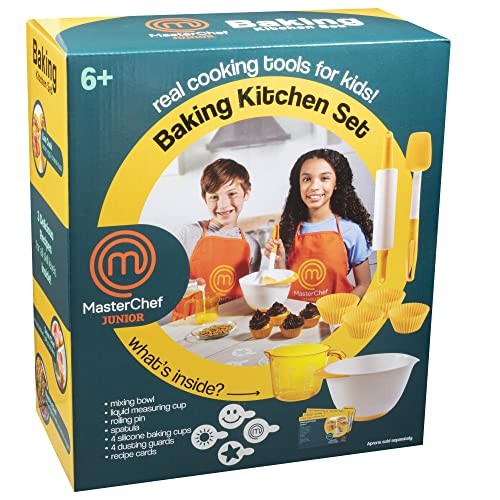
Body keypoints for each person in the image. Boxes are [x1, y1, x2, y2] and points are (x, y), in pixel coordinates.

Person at [265, 149, 372, 301]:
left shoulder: (351, 231)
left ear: (336, 183)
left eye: (324, 178)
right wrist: (278, 262)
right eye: (307, 179)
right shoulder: (287, 230)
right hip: (295, 313)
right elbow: (283, 287)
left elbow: (364, 284)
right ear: (298, 185)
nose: (314, 186)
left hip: (337, 313)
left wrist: (343, 306)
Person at [172, 158, 261, 320]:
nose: (223, 205)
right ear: (204, 198)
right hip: (187, 327)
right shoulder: (188, 234)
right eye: (214, 197)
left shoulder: (252, 246)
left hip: (231, 325)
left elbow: (250, 298)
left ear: (247, 193)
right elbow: (165, 283)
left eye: (232, 194)